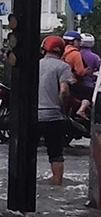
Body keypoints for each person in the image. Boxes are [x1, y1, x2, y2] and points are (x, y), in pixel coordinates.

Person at [38, 35, 74, 186]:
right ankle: (57, 185)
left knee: (26, 152)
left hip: (34, 116)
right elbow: (64, 90)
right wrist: (63, 107)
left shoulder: (35, 65)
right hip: (53, 116)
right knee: (56, 154)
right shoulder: (63, 66)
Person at [62, 30, 91, 116]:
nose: (79, 43)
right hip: (73, 82)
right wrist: (87, 71)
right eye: (78, 41)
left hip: (62, 81)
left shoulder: (62, 52)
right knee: (88, 95)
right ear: (71, 41)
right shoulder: (75, 54)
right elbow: (80, 72)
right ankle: (81, 110)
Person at [78, 33, 100, 119]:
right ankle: (82, 110)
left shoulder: (75, 54)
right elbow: (99, 69)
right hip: (89, 85)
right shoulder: (95, 57)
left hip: (76, 83)